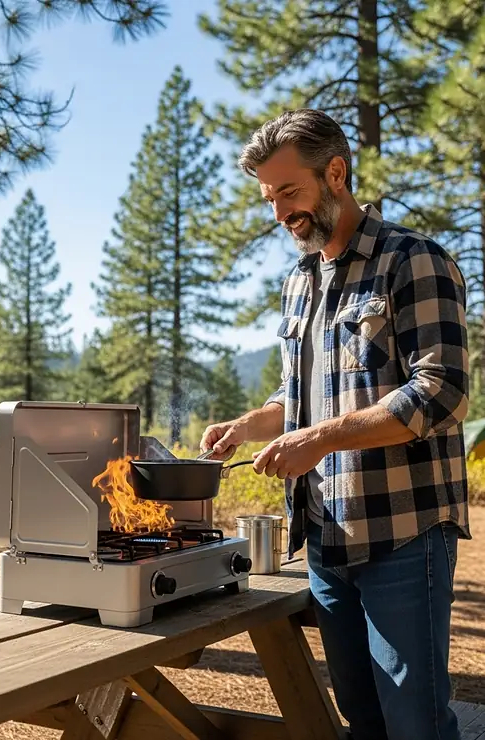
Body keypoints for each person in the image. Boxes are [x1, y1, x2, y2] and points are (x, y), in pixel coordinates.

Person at [200, 109, 470, 740]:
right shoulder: (300, 281)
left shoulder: (413, 262)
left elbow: (441, 393)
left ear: (336, 172)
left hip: (403, 534)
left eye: (289, 192)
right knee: (362, 719)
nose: (278, 214)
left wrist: (317, 440)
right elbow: (300, 397)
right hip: (325, 537)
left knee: (416, 724)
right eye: (269, 198)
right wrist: (247, 425)